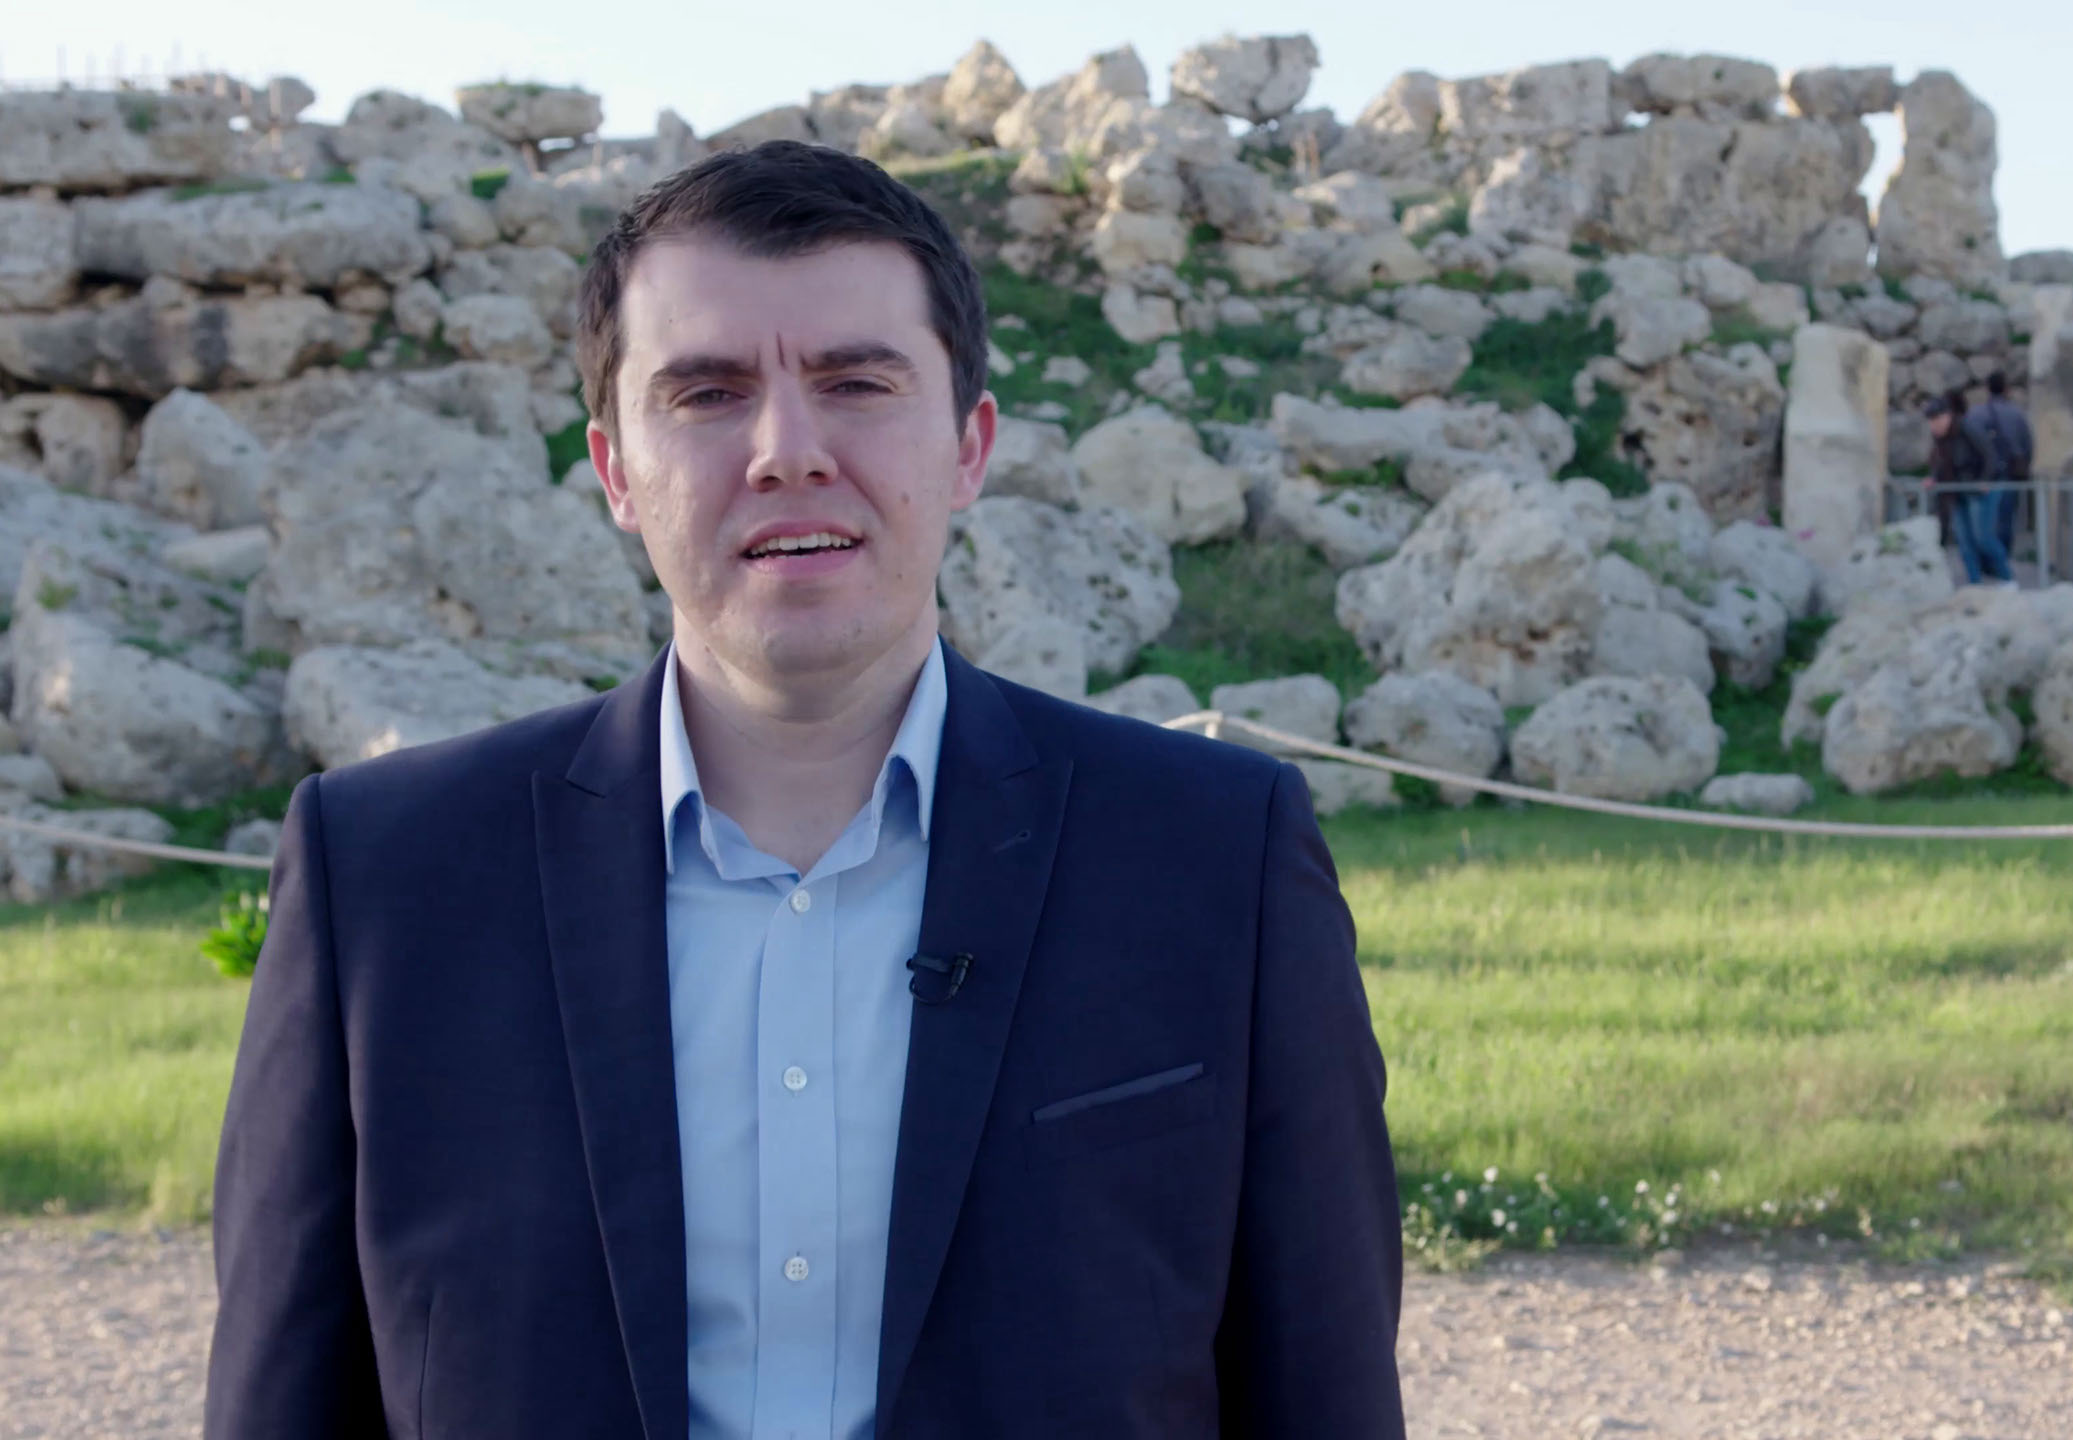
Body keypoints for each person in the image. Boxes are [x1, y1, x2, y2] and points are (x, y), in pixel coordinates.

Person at [205, 141, 1406, 1440]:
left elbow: (1323, 1390)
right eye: (708, 392)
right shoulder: (383, 881)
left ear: (969, 446)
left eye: (855, 383)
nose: (786, 450)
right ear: (615, 472)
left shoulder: (1217, 860)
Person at [1926, 393, 2011, 584]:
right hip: (1958, 491)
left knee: (1984, 538)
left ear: (1947, 416)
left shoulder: (1968, 428)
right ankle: (1975, 583)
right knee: (1964, 542)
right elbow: (1940, 463)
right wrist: (1934, 478)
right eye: (1931, 421)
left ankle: (2007, 579)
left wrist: (1985, 480)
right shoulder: (1940, 439)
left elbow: (1989, 455)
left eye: (1937, 419)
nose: (1934, 425)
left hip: (1981, 490)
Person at [1968, 372, 2033, 553]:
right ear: (2006, 389)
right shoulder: (2017, 415)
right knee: (2005, 519)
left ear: (1987, 389)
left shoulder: (1976, 414)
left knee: (1983, 522)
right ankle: (2003, 559)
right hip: (2010, 473)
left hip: (1984, 477)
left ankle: (1987, 560)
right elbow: (2027, 445)